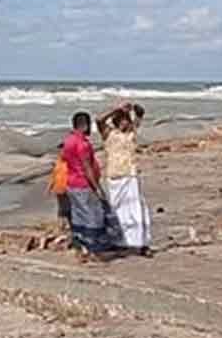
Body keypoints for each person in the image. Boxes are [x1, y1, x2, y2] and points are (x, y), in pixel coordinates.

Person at [97, 103, 152, 256]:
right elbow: (99, 119)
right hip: (114, 175)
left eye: (126, 120)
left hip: (130, 174)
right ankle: (119, 241)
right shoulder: (109, 134)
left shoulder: (131, 133)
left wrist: (134, 109)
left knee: (136, 208)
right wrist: (117, 109)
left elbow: (140, 113)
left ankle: (141, 243)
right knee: (116, 208)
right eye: (121, 120)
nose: (124, 123)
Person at [62, 111, 107, 259]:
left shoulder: (68, 141)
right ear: (85, 125)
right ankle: (92, 250)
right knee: (93, 216)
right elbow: (87, 167)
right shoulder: (82, 144)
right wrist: (97, 188)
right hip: (83, 183)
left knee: (78, 215)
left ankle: (80, 247)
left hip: (71, 182)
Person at [45, 143, 71, 231]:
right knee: (61, 207)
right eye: (60, 151)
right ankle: (61, 225)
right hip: (59, 189)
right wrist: (49, 188)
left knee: (68, 207)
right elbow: (53, 176)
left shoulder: (71, 162)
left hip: (68, 189)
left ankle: (69, 225)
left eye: (63, 150)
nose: (61, 152)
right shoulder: (58, 162)